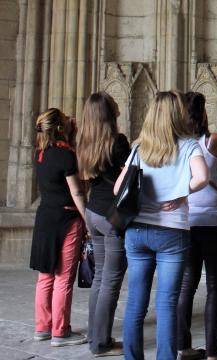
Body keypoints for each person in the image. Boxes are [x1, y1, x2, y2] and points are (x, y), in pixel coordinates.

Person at [114, 90, 209, 360]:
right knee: (167, 303)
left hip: (137, 230)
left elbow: (119, 188)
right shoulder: (189, 145)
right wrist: (181, 192)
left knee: (135, 303)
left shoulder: (139, 148)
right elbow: (202, 177)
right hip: (171, 231)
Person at [176, 92, 217, 360]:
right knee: (215, 288)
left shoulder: (175, 143)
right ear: (203, 113)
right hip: (215, 219)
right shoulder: (213, 141)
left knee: (186, 286)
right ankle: (213, 353)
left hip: (187, 220)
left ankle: (183, 347)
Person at [76, 92, 130, 357]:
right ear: (109, 112)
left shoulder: (84, 141)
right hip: (112, 216)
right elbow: (130, 175)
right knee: (110, 281)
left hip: (92, 213)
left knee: (100, 278)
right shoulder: (117, 142)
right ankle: (101, 343)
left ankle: (95, 337)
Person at [30, 108, 88, 347]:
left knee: (45, 276)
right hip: (66, 219)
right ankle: (60, 331)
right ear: (61, 128)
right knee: (63, 277)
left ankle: (42, 327)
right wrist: (88, 219)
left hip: (45, 218)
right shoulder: (66, 155)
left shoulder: (40, 154)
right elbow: (76, 191)